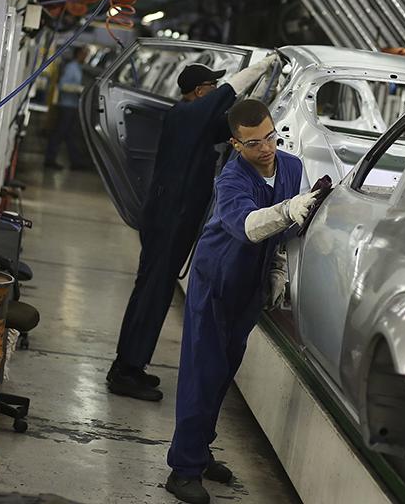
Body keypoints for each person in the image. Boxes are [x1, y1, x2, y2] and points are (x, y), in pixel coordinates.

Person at [165, 100, 318, 504]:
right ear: (236, 144)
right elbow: (251, 227)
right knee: (203, 372)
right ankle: (182, 469)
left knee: (223, 372)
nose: (266, 148)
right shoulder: (231, 180)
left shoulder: (291, 166)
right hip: (216, 282)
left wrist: (277, 270)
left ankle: (200, 450)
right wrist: (288, 209)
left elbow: (281, 236)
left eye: (270, 136)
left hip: (250, 284)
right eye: (254, 143)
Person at [106, 54, 279, 402]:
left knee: (155, 289)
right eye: (211, 87)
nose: (215, 90)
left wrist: (265, 94)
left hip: (173, 217)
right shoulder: (185, 115)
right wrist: (257, 68)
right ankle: (125, 370)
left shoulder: (195, 121)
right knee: (152, 291)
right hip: (169, 217)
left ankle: (131, 366)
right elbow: (225, 95)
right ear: (200, 92)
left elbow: (229, 122)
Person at [44, 47, 88, 170]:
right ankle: (50, 159)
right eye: (85, 54)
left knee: (70, 135)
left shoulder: (78, 67)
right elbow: (63, 85)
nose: (86, 57)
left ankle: (76, 162)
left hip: (72, 105)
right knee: (60, 133)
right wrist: (79, 89)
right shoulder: (71, 67)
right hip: (66, 106)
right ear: (79, 53)